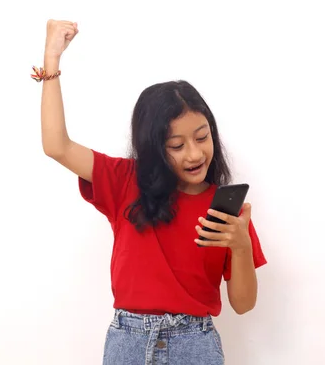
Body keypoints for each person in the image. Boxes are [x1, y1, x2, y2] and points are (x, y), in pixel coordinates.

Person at [37, 19, 267, 365]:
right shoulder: (124, 181)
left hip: (195, 344)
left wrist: (241, 246)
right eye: (177, 144)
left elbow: (243, 304)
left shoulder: (227, 213)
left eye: (202, 137)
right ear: (154, 149)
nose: (194, 153)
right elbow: (57, 146)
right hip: (128, 342)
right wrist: (52, 61)